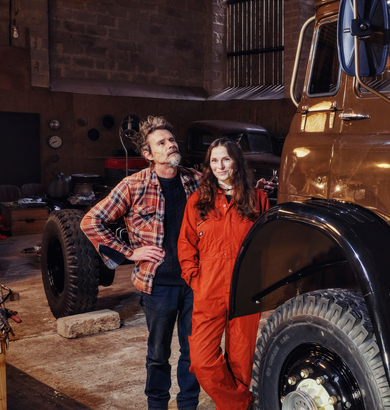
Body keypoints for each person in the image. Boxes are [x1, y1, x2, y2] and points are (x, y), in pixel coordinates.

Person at [81, 115, 201, 410]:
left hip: (195, 283)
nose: (170, 145)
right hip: (157, 285)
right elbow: (91, 221)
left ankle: (188, 406)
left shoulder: (196, 180)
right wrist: (129, 252)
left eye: (171, 140)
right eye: (161, 143)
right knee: (158, 353)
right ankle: (157, 406)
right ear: (148, 155)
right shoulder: (133, 186)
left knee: (194, 353)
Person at [177, 138, 268, 410]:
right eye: (214, 160)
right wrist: (195, 278)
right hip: (209, 289)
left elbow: (266, 245)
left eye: (225, 159)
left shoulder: (257, 198)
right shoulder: (198, 201)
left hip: (246, 291)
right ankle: (242, 403)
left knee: (241, 363)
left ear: (236, 161)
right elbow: (185, 243)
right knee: (202, 360)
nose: (220, 165)